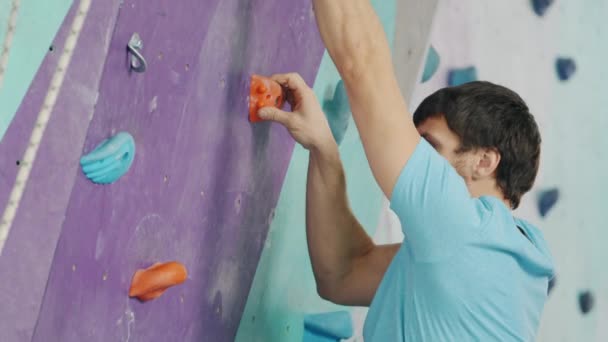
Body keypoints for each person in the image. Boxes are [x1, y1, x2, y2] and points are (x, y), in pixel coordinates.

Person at [257, 1, 555, 340]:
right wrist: (324, 149)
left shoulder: (466, 233)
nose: (417, 159)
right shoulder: (501, 264)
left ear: (484, 162)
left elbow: (362, 65)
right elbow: (342, 272)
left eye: (430, 147)